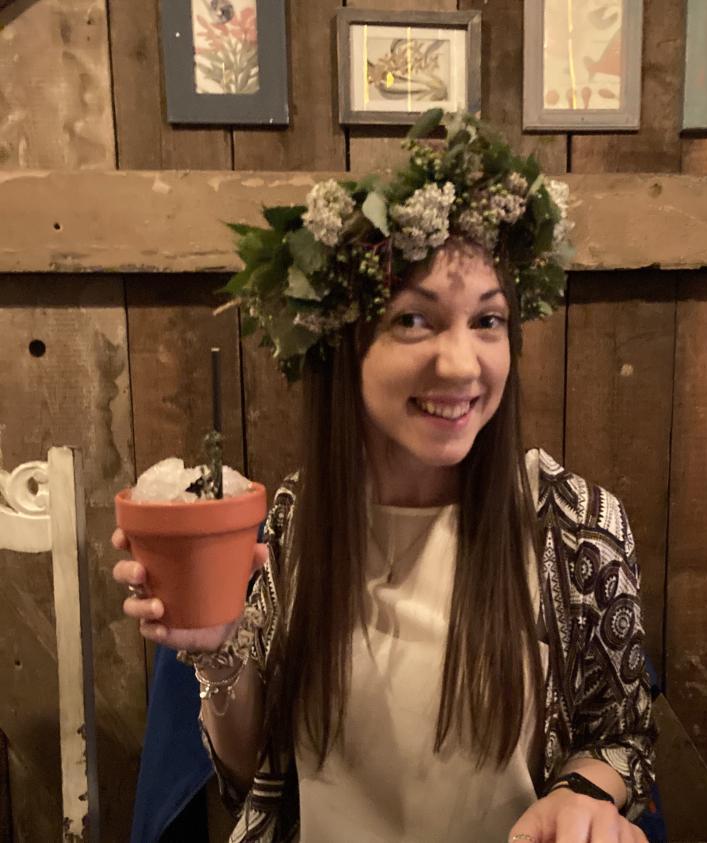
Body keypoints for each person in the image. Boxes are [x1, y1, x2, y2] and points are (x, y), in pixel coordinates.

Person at [113, 110, 656, 843]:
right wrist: (216, 648)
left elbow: (620, 728)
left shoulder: (575, 525)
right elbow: (256, 772)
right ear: (345, 346)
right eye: (414, 321)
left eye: (489, 322)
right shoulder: (296, 519)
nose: (463, 364)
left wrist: (584, 793)